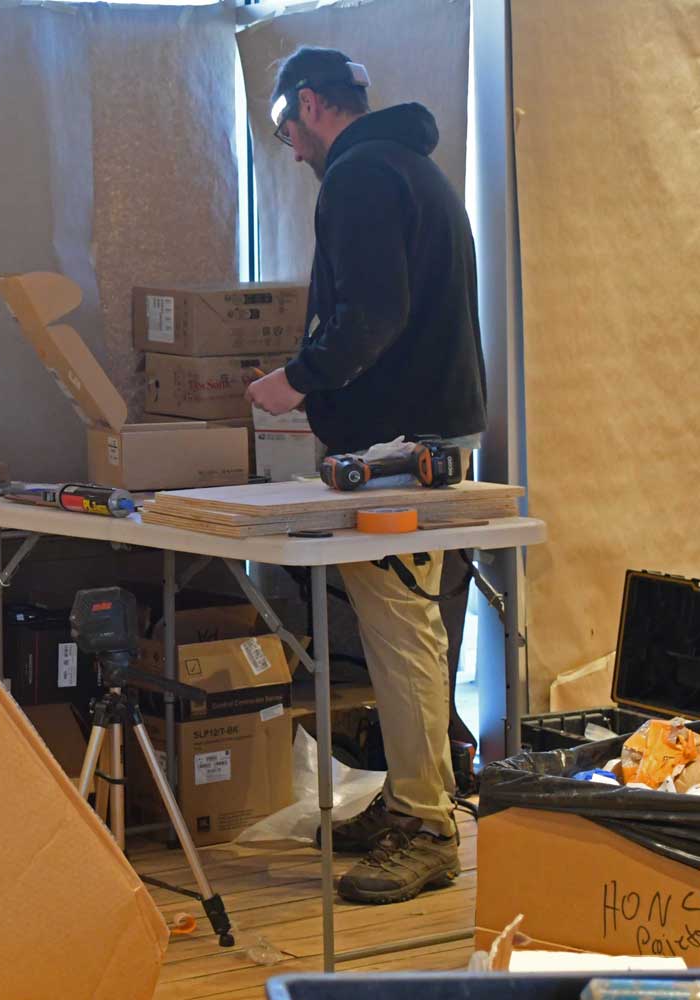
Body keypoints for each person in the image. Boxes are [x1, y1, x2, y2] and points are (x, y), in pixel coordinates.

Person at [246, 47, 487, 905]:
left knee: (400, 625)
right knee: (407, 622)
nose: (292, 151)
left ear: (311, 105)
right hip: (411, 438)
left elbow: (370, 317)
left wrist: (293, 382)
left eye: (285, 132)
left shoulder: (360, 177)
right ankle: (410, 796)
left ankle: (426, 825)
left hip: (397, 450)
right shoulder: (407, 167)